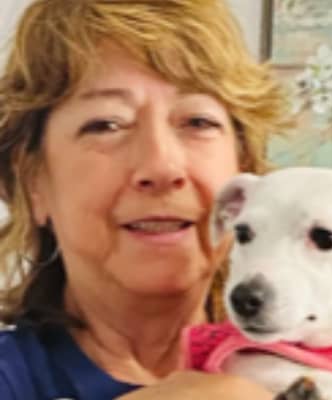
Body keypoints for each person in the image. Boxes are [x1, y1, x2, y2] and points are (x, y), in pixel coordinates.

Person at [0, 0, 288, 399]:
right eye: (106, 124)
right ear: (32, 181)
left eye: (198, 121)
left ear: (244, 170)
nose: (162, 166)